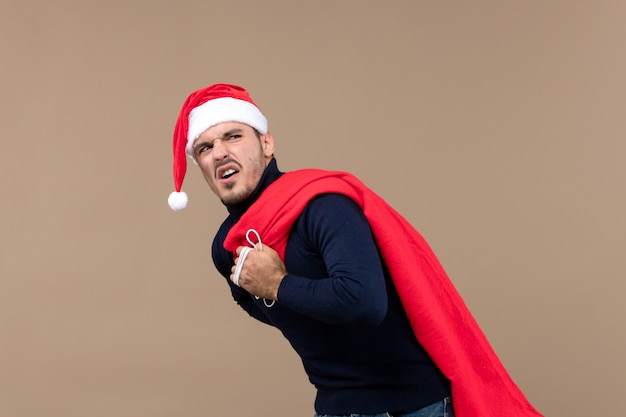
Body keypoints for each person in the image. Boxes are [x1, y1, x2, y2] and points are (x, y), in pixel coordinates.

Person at [167, 83, 543, 417]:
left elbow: (364, 302)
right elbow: (251, 299)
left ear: (267, 143)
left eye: (233, 136)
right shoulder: (228, 246)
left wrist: (280, 285)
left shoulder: (322, 205)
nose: (219, 152)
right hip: (337, 406)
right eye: (205, 147)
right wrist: (297, 302)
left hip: (415, 405)